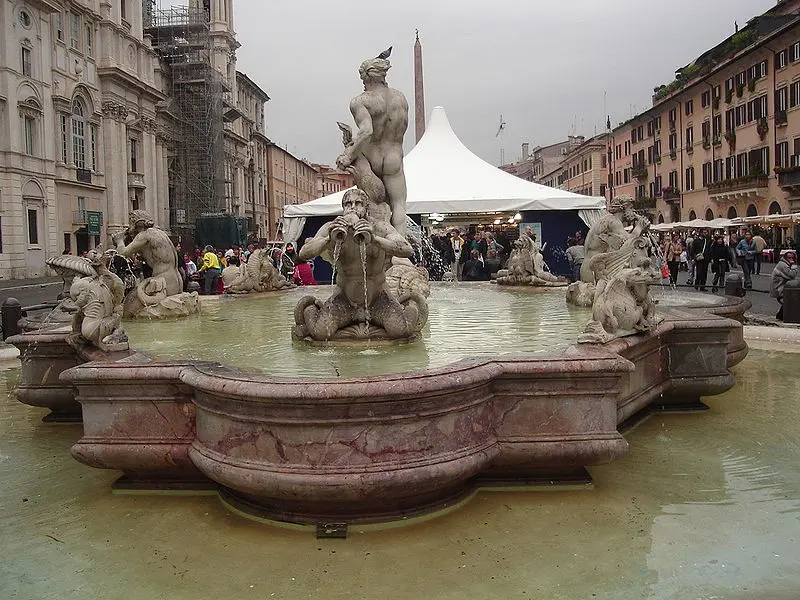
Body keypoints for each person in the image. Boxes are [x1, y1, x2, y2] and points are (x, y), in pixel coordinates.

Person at [335, 49, 409, 236]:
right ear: (383, 76)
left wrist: (348, 155)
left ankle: (371, 244)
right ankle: (400, 255)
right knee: (399, 205)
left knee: (372, 205)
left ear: (365, 78)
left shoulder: (360, 101)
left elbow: (366, 131)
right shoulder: (400, 99)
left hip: (372, 157)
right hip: (394, 157)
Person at [771, 251, 797, 320]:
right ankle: (781, 315)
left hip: (781, 287)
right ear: (785, 257)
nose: (791, 259)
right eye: (789, 257)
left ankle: (781, 315)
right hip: (779, 288)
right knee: (792, 298)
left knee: (788, 300)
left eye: (792, 257)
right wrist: (794, 266)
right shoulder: (783, 265)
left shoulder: (785, 264)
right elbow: (791, 275)